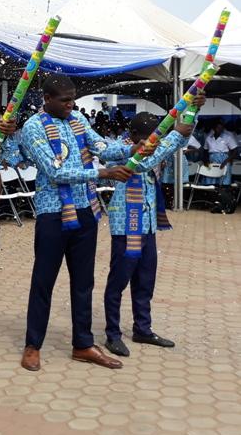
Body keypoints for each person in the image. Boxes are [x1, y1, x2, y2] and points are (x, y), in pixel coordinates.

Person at [17, 74, 148, 372]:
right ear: (46, 99)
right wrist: (103, 174)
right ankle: (32, 345)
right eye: (64, 100)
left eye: (72, 99)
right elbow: (55, 171)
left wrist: (129, 149)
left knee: (83, 283)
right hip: (53, 214)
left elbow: (101, 147)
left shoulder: (77, 119)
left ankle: (83, 344)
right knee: (43, 281)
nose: (71, 104)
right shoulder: (33, 127)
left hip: (85, 211)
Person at [103, 112, 196, 357]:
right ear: (133, 136)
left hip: (148, 225)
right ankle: (112, 334)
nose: (151, 145)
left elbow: (182, 138)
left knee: (145, 281)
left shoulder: (153, 146)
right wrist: (174, 135)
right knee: (118, 282)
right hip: (126, 225)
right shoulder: (121, 150)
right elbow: (143, 162)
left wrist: (192, 111)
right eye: (147, 139)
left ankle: (142, 329)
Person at [201, 119, 237, 187]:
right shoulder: (209, 138)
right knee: (211, 180)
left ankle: (224, 194)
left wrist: (226, 161)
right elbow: (205, 151)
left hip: (224, 160)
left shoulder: (227, 137)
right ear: (214, 128)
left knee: (224, 181)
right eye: (218, 128)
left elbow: (235, 151)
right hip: (212, 160)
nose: (220, 129)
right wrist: (206, 162)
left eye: (221, 128)